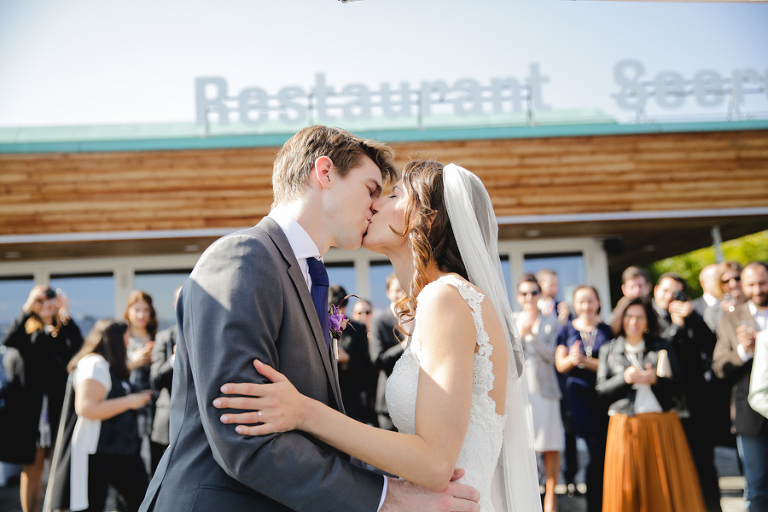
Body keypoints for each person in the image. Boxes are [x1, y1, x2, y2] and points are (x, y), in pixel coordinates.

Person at [139, 127, 482, 512]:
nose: (375, 205)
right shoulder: (244, 257)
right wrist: (390, 498)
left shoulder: (309, 278)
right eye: (370, 189)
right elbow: (244, 432)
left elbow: (315, 433)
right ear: (325, 173)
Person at [216, 161, 542, 512]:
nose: (374, 204)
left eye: (393, 195)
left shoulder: (445, 297)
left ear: (428, 219)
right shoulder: (442, 300)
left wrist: (304, 412)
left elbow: (435, 464)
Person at [596, 296, 706, 512]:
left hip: (662, 425)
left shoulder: (661, 345)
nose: (633, 322)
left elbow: (680, 384)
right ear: (621, 318)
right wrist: (624, 379)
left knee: (664, 486)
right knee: (627, 487)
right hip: (625, 426)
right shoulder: (608, 349)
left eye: (640, 317)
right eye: (629, 316)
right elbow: (600, 392)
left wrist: (655, 379)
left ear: (648, 321)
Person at [46, 319, 153, 512]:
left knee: (140, 499)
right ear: (115, 340)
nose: (128, 342)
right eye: (126, 337)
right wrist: (131, 401)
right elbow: (87, 408)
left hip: (118, 450)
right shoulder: (94, 364)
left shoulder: (105, 365)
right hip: (97, 451)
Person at [0, 285, 83, 512]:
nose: (46, 305)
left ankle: (58, 508)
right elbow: (10, 339)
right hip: (32, 413)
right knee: (32, 467)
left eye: (50, 301)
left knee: (60, 466)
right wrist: (28, 307)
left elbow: (78, 347)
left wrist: (65, 313)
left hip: (59, 409)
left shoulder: (62, 330)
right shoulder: (27, 331)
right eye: (41, 301)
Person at [652, 272, 722, 512]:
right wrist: (677, 326)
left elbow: (712, 347)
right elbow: (662, 355)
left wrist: (690, 318)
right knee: (671, 468)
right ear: (655, 291)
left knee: (704, 464)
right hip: (664, 405)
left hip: (695, 404)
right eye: (665, 291)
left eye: (676, 293)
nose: (669, 297)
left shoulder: (693, 317)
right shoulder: (649, 320)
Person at [713, 261, 768, 512]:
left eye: (763, 283)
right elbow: (720, 366)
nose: (758, 290)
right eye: (751, 285)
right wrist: (745, 351)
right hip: (749, 413)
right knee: (756, 488)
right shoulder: (730, 319)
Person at [554, 285, 611, 512]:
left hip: (606, 397)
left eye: (590, 301)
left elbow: (612, 365)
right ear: (575, 304)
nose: (586, 306)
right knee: (597, 453)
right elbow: (560, 364)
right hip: (579, 399)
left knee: (607, 453)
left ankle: (608, 502)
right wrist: (573, 359)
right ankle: (594, 505)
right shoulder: (566, 329)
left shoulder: (607, 330)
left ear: (598, 303)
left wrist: (584, 361)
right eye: (581, 301)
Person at [514, 274, 563, 512]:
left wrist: (530, 336)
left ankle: (551, 497)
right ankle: (528, 496)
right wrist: (520, 333)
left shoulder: (551, 321)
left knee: (550, 443)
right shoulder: (511, 320)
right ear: (518, 297)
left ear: (540, 294)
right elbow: (507, 355)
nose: (529, 297)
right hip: (520, 393)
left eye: (534, 292)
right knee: (524, 446)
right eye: (524, 293)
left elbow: (551, 356)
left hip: (545, 390)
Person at [329, 284, 377, 425]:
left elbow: (366, 366)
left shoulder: (357, 328)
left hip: (352, 399)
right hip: (327, 397)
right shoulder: (318, 328)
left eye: (340, 308)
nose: (336, 313)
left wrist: (347, 359)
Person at [148, 285, 183, 475]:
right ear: (175, 304)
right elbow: (155, 379)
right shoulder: (164, 338)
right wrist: (175, 358)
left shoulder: (210, 335)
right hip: (168, 422)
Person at [124, 290, 158, 471]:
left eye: (145, 310)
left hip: (156, 405)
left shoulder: (158, 338)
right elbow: (112, 372)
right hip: (130, 407)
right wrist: (131, 363)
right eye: (137, 310)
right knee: (132, 462)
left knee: (157, 459)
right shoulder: (122, 339)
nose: (141, 315)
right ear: (128, 311)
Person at [370, 273, 406, 430]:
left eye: (404, 289)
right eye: (397, 290)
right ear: (388, 293)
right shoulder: (380, 321)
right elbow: (377, 360)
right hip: (388, 402)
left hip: (417, 399)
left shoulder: (419, 317)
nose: (401, 294)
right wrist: (404, 345)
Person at [693, 263, 724, 332]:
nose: (720, 282)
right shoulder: (693, 309)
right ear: (703, 283)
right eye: (716, 278)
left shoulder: (732, 303)